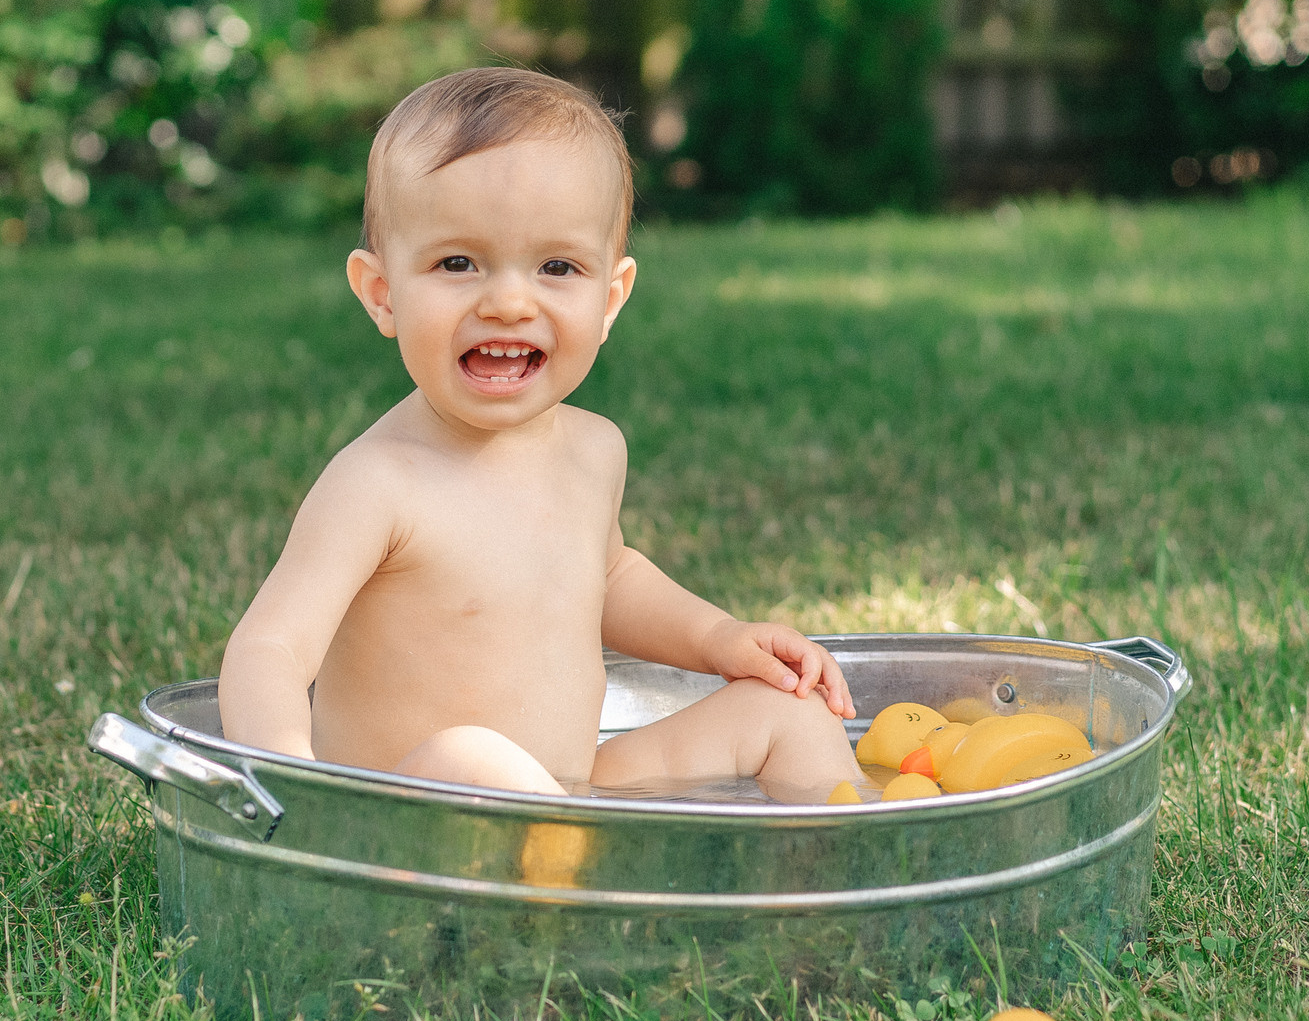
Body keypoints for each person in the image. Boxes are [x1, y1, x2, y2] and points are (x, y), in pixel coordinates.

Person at [216, 67, 864, 800]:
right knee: (472, 756)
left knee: (789, 712)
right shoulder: (379, 482)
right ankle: (581, 886)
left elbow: (610, 576)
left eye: (557, 266)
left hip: (569, 794)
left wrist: (718, 638)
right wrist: (282, 773)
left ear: (610, 297)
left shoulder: (594, 449)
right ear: (382, 292)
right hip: (414, 815)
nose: (509, 301)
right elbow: (270, 645)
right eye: (458, 262)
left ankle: (840, 883)